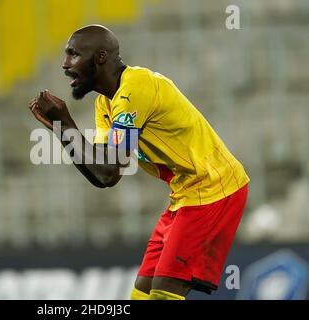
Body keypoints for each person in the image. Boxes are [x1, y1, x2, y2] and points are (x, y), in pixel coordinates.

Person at [28, 24, 249, 300]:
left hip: (214, 188)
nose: (65, 64)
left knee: (163, 293)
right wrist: (60, 128)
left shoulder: (137, 88)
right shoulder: (105, 104)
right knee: (141, 292)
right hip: (185, 192)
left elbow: (109, 172)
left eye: (73, 54)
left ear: (100, 57)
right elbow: (103, 174)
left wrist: (66, 122)